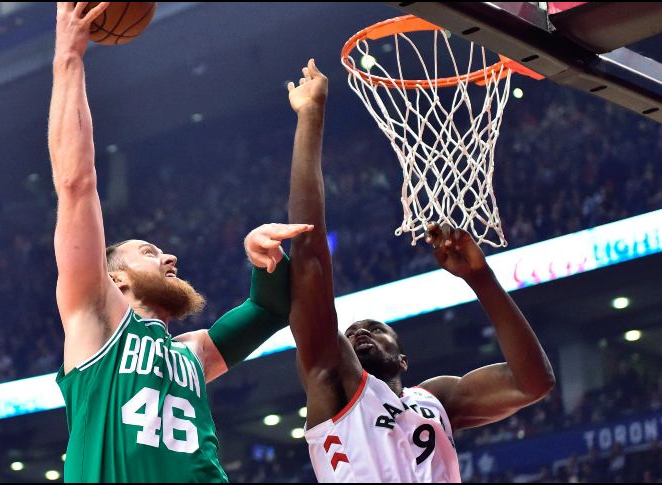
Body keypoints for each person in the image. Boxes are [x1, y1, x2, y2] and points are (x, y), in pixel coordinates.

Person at [49, 3, 313, 482]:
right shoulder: (95, 318)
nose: (169, 256)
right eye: (148, 253)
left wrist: (263, 260)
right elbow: (76, 183)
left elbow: (271, 310)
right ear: (115, 279)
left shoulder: (191, 353)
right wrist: (69, 57)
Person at [283, 58, 556, 482]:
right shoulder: (332, 378)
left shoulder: (434, 400)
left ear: (404, 360)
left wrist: (481, 280)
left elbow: (532, 384)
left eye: (375, 327)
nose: (360, 332)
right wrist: (311, 117)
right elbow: (310, 258)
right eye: (354, 330)